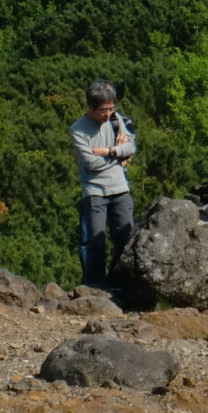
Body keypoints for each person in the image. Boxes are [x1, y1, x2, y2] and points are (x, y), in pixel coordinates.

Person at [69, 79, 136, 288]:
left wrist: (110, 151)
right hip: (94, 190)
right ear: (90, 108)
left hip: (120, 188)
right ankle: (94, 285)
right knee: (95, 241)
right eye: (103, 110)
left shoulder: (116, 120)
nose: (108, 114)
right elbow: (89, 163)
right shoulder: (78, 130)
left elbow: (131, 147)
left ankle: (119, 281)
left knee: (125, 236)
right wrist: (118, 158)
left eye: (111, 108)